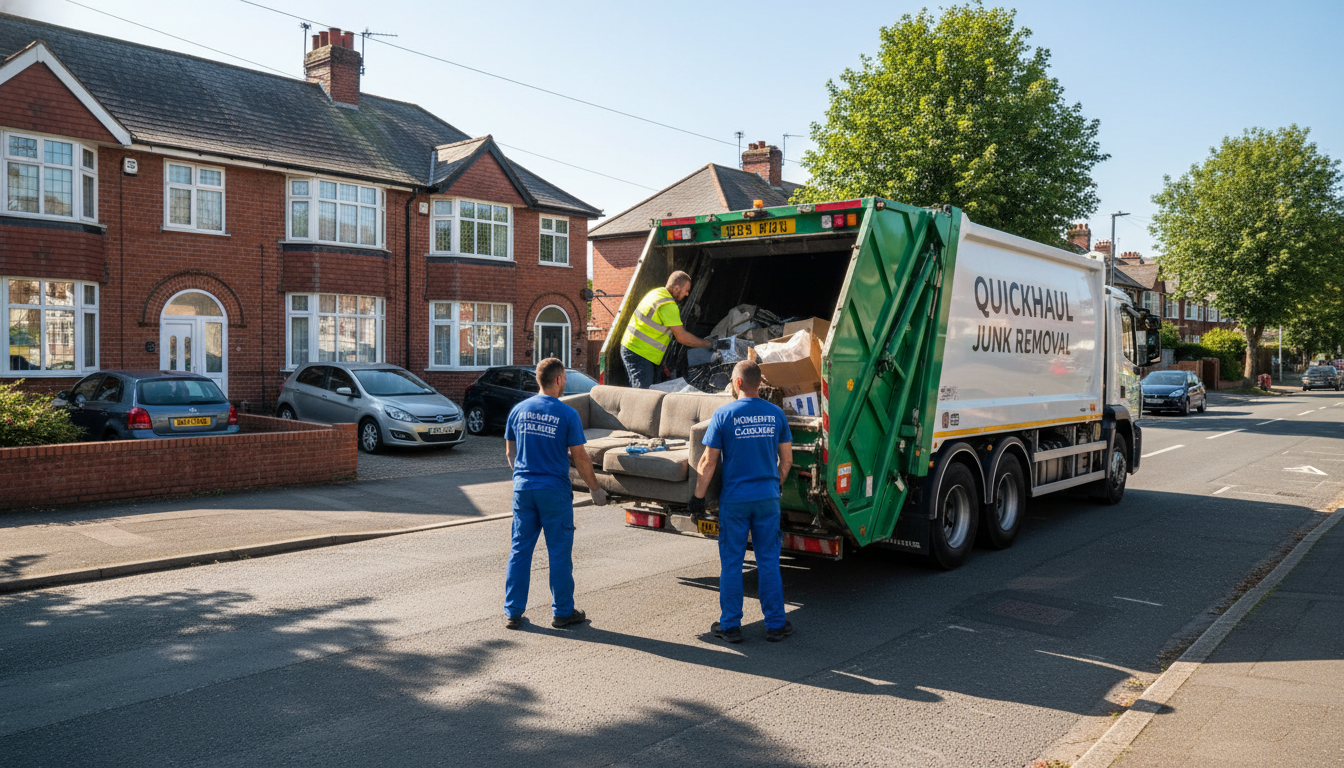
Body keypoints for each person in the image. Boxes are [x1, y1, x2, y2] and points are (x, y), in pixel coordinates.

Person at [690, 360, 793, 643]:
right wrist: (774, 488)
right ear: (759, 383)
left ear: (737, 384)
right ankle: (775, 625)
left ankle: (731, 626)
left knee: (732, 563)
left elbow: (708, 462)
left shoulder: (723, 415)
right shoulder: (776, 414)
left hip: (735, 501)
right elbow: (786, 462)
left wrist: (698, 499)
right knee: (769, 561)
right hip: (767, 499)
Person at [504, 358, 608, 630]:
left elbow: (510, 453)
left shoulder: (518, 410)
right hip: (554, 492)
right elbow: (581, 457)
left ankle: (513, 611)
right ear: (559, 379)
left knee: (520, 550)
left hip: (523, 490)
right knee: (559, 552)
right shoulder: (567, 414)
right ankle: (562, 612)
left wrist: (522, 476)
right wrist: (595, 489)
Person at [620, 270, 713, 388]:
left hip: (638, 350)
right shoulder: (668, 305)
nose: (687, 294)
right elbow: (682, 337)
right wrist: (708, 344)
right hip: (639, 352)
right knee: (642, 395)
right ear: (677, 289)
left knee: (651, 392)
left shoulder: (656, 293)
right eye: (686, 291)